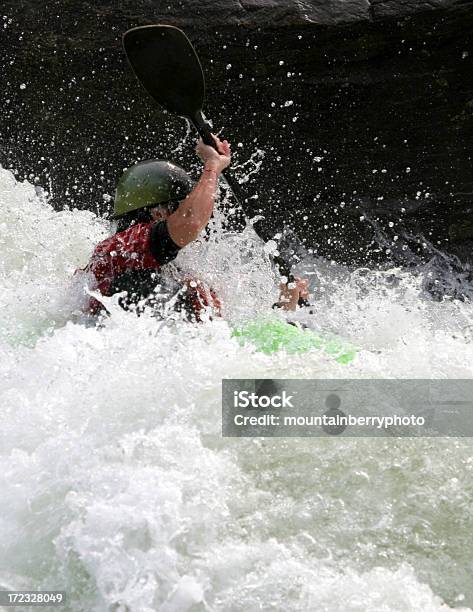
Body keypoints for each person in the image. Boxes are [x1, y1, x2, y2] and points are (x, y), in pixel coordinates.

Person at [80, 134, 308, 321]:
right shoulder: (122, 247)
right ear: (158, 212)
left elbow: (230, 341)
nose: (204, 216)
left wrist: (285, 307)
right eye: (182, 205)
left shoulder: (181, 275)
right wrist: (212, 167)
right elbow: (190, 220)